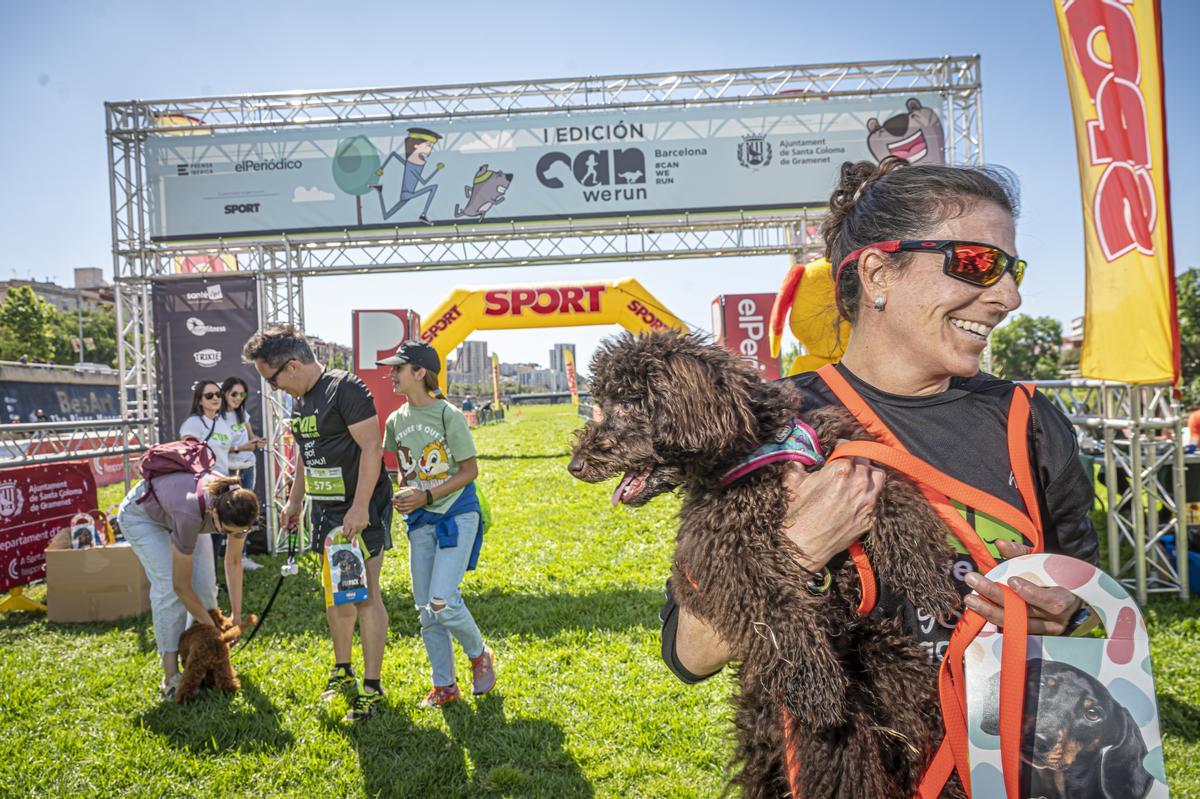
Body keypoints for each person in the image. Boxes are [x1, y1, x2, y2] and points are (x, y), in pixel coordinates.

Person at [663, 158, 1098, 692]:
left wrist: (1070, 616)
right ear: (877, 274)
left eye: (1013, 270)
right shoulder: (771, 425)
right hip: (845, 765)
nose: (1009, 297)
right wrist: (800, 547)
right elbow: (692, 653)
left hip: (1016, 763)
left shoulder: (1029, 420)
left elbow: (1092, 606)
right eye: (978, 263)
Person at [243, 325, 393, 722]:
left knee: (364, 594)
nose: (273, 389)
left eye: (271, 379)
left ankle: (372, 687)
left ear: (292, 366)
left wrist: (359, 508)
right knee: (334, 593)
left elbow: (372, 449)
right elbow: (308, 456)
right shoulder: (300, 399)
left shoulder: (344, 388)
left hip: (360, 509)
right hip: (324, 512)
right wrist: (294, 502)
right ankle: (342, 670)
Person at [378, 340, 496, 708]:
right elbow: (405, 470)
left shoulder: (449, 416)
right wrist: (405, 495)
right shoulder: (395, 421)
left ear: (420, 373)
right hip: (420, 520)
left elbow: (470, 470)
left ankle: (478, 656)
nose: (391, 374)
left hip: (457, 513)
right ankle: (444, 686)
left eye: (398, 368)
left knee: (442, 601)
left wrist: (428, 496)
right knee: (426, 610)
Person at [117, 471, 258, 701]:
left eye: (236, 533)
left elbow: (233, 561)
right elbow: (180, 585)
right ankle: (171, 678)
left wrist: (236, 615)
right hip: (142, 517)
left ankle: (206, 664)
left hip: (186, 513)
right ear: (215, 513)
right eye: (226, 531)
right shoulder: (190, 514)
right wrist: (212, 629)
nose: (229, 536)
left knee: (206, 589)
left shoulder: (238, 504)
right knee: (168, 590)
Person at [221, 376, 266, 571]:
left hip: (248, 467)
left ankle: (242, 556)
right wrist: (241, 448)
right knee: (227, 511)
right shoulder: (217, 417)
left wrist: (257, 442)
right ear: (225, 393)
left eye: (242, 394)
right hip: (228, 470)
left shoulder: (243, 414)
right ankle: (227, 558)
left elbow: (251, 437)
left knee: (245, 512)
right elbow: (218, 447)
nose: (238, 398)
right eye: (234, 394)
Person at [179, 381, 234, 476]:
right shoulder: (193, 423)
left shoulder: (222, 422)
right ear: (200, 400)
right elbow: (189, 455)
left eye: (218, 394)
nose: (215, 398)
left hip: (223, 480)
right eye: (209, 395)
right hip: (204, 482)